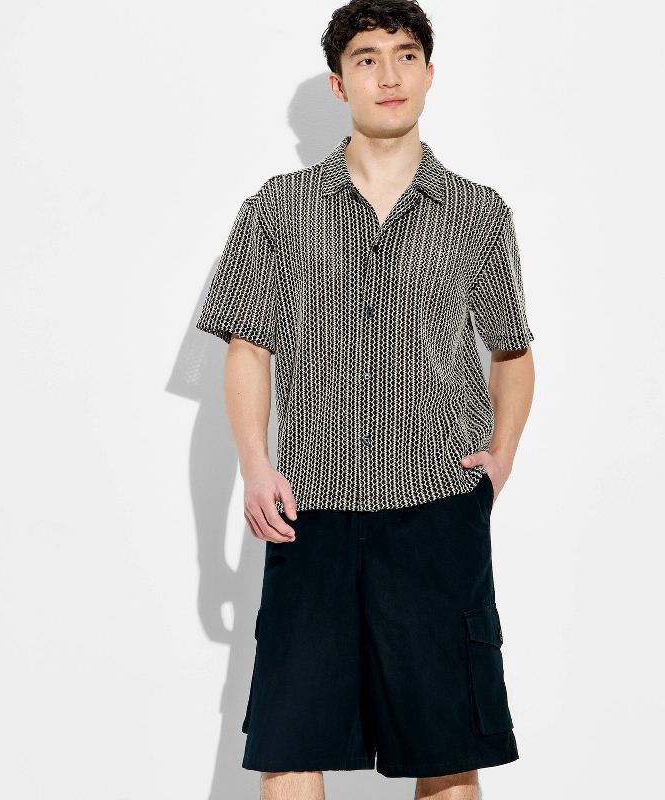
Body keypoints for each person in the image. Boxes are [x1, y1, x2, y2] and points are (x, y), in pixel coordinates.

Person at [196, 1, 535, 797]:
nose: (389, 75)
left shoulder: (479, 213)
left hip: (438, 509)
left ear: (429, 73)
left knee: (446, 749)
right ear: (338, 83)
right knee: (290, 744)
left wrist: (501, 457)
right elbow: (248, 347)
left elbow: (513, 350)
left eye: (406, 55)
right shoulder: (277, 208)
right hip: (311, 509)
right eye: (367, 58)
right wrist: (254, 464)